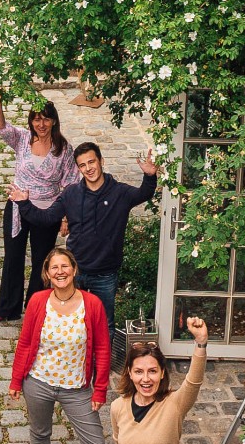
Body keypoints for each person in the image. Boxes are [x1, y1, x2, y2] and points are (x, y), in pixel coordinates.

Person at [8, 245, 113, 444]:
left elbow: (102, 348)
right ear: (47, 274)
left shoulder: (91, 304)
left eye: (64, 266)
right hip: (38, 383)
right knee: (40, 434)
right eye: (54, 267)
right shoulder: (37, 301)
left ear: (74, 270)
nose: (60, 271)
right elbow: (26, 343)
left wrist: (99, 388)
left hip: (76, 388)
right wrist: (17, 380)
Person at [11, 142, 158, 337]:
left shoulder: (119, 193)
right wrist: (24, 204)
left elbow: (144, 194)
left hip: (105, 274)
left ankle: (100, 368)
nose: (88, 168)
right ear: (78, 168)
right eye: (82, 165)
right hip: (75, 271)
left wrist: (149, 176)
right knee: (70, 324)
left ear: (101, 161)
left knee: (105, 326)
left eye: (91, 162)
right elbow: (46, 218)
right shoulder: (71, 194)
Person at [0, 95, 78, 325]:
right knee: (13, 256)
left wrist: (65, 217)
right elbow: (2, 127)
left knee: (42, 260)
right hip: (18, 206)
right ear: (31, 122)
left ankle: (36, 308)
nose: (41, 124)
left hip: (47, 210)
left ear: (54, 121)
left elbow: (70, 185)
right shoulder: (23, 139)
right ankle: (8, 308)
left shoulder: (64, 149)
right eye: (37, 119)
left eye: (46, 119)